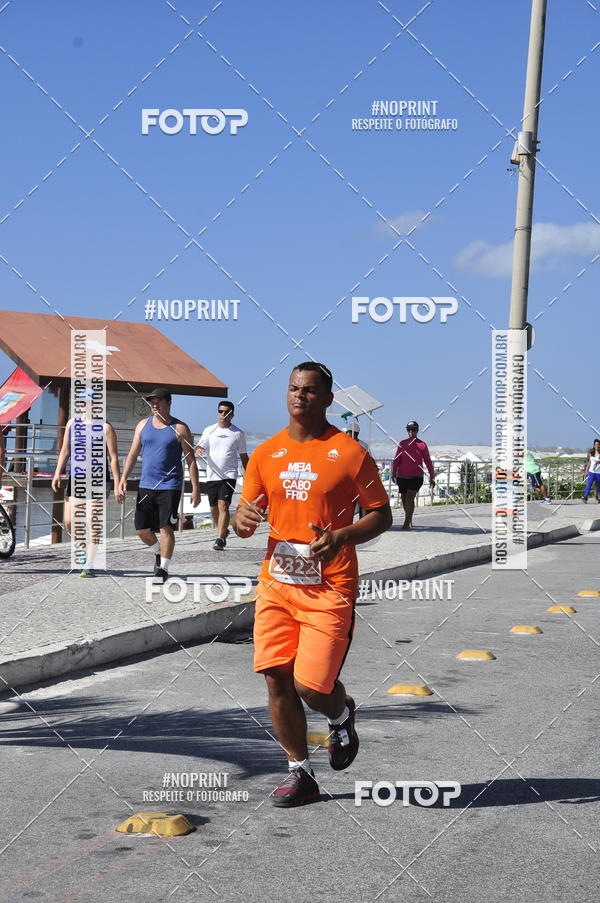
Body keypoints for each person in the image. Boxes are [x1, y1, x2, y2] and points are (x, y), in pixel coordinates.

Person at [231, 362, 392, 808]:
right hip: (277, 583)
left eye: (310, 390)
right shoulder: (266, 454)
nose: (299, 396)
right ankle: (299, 772)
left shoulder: (349, 453)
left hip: (330, 588)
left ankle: (341, 714)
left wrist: (343, 535)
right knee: (276, 678)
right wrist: (241, 520)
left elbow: (382, 513)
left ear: (327, 399)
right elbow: (247, 516)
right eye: (293, 388)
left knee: (311, 686)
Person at [119, 388, 200, 581]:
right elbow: (131, 455)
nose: (154, 405)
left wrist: (195, 488)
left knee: (166, 527)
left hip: (170, 485)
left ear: (168, 403)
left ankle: (163, 568)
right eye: (152, 402)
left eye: (158, 402)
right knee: (142, 529)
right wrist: (122, 479)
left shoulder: (180, 428)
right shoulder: (142, 425)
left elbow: (191, 461)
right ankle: (158, 551)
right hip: (146, 484)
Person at [52, 411, 121, 577]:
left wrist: (117, 483)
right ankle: (83, 548)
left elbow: (113, 457)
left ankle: (89, 565)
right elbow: (65, 450)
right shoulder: (71, 424)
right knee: (69, 521)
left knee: (92, 522)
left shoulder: (106, 427)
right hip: (76, 478)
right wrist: (57, 473)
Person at [195, 401, 248, 551]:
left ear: (232, 414)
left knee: (223, 505)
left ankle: (219, 539)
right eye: (221, 411)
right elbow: (200, 446)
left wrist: (249, 475)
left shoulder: (238, 433)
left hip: (229, 474)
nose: (223, 415)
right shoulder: (209, 430)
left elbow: (244, 457)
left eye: (227, 412)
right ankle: (223, 531)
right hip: (212, 475)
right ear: (217, 412)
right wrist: (198, 450)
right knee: (213, 508)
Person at [392, 422, 435, 529]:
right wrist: (393, 472)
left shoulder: (422, 445)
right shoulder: (402, 443)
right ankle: (409, 518)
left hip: (416, 476)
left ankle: (406, 522)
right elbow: (397, 459)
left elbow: (428, 462)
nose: (411, 431)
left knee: (409, 498)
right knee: (404, 498)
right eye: (409, 429)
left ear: (417, 430)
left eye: (413, 429)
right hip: (402, 476)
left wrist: (432, 476)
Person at [583, 439, 600, 503]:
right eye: (596, 444)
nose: (597, 446)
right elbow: (589, 462)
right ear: (594, 445)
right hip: (591, 471)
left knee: (598, 485)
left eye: (598, 444)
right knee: (589, 484)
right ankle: (585, 497)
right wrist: (587, 470)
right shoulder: (591, 452)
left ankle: (598, 497)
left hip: (598, 472)